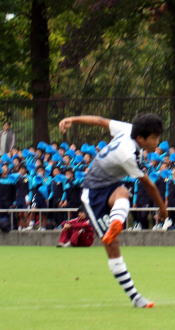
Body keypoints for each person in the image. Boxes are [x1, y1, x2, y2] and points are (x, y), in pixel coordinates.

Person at [59, 113, 168, 309]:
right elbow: (149, 186)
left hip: (110, 185)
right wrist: (163, 209)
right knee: (113, 247)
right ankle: (135, 297)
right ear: (141, 138)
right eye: (154, 138)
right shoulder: (128, 155)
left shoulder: (128, 129)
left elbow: (101, 121)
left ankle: (115, 224)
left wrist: (72, 120)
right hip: (92, 195)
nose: (157, 142)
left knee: (123, 192)